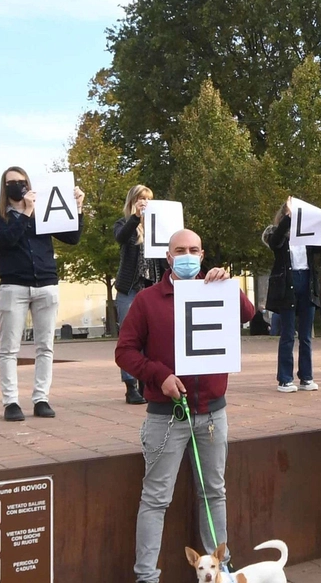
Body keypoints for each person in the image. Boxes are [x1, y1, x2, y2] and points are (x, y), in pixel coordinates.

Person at [115, 228, 256, 583]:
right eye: (180, 250)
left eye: (194, 249)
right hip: (166, 415)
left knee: (214, 493)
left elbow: (249, 313)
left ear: (203, 254)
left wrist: (229, 285)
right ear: (168, 257)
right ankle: (146, 576)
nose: (188, 255)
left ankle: (221, 568)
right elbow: (124, 351)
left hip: (212, 412)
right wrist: (158, 374)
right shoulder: (147, 300)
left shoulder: (217, 290)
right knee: (156, 498)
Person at [0, 167, 85, 422]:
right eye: (11, 183)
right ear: (3, 188)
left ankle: (41, 398)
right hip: (13, 286)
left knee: (45, 346)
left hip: (45, 284)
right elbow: (7, 241)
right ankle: (11, 402)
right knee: (9, 348)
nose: (17, 186)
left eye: (21, 181)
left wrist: (78, 209)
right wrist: (27, 213)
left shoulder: (45, 212)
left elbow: (72, 237)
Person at [263, 198, 321, 393]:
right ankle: (285, 378)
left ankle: (306, 377)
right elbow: (274, 242)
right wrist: (289, 218)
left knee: (306, 335)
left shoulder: (309, 235)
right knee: (287, 334)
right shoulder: (279, 235)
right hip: (287, 284)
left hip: (306, 282)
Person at [112, 184, 163, 405]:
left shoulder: (157, 227)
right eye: (141, 198)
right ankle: (130, 386)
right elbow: (121, 238)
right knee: (129, 338)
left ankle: (147, 383)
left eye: (148, 199)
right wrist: (135, 218)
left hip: (151, 287)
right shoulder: (124, 223)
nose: (145, 202)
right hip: (129, 289)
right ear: (132, 201)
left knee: (152, 337)